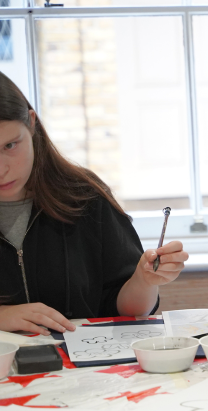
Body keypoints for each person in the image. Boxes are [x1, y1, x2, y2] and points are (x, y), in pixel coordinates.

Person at [0, 72, 188, 335]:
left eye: (10, 145)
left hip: (83, 360)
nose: (2, 170)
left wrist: (145, 281)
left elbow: (127, 311)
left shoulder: (83, 196)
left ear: (31, 123)